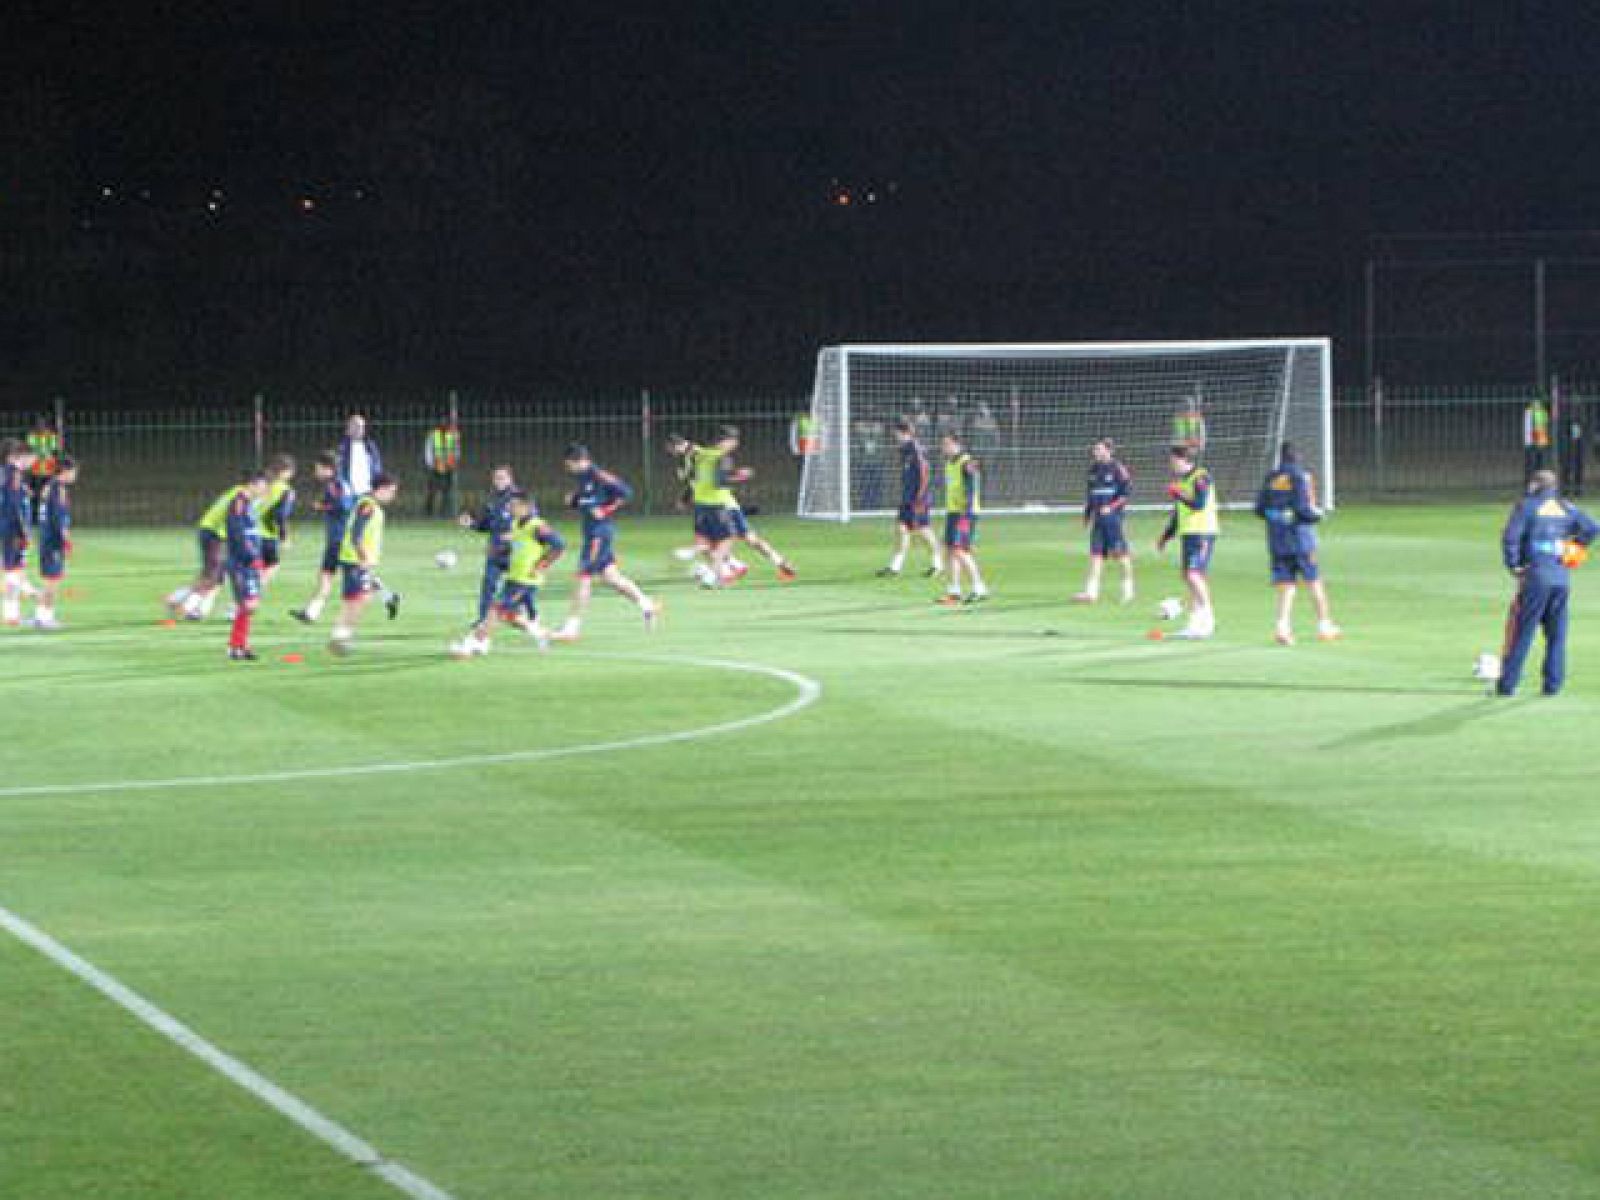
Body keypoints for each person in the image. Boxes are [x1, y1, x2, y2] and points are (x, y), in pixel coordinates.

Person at [1495, 469, 1599, 697]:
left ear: (1534, 485)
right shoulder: (1567, 507)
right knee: (1557, 635)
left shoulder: (1526, 506)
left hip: (1535, 577)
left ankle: (1507, 684)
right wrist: (1576, 546)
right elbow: (1592, 528)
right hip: (1561, 578)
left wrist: (1513, 565)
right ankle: (1552, 685)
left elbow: (1510, 537)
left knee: (1522, 632)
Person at [551, 444, 658, 641]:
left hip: (599, 535)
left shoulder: (600, 476)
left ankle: (572, 627)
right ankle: (647, 604)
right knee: (611, 578)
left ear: (579, 461)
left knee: (583, 577)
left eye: (569, 465)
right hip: (592, 534)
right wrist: (574, 500)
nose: (568, 469)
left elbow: (626, 493)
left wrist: (605, 510)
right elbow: (588, 501)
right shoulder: (582, 478)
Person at [454, 493, 565, 656]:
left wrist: (541, 565)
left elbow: (559, 545)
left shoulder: (537, 525)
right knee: (509, 616)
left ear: (525, 507)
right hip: (514, 576)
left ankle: (475, 643)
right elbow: (519, 545)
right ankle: (544, 634)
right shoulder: (516, 524)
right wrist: (499, 550)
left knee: (496, 608)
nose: (509, 508)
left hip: (526, 579)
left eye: (514, 505)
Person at [1253, 442, 1340, 645]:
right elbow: (1302, 509)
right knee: (1313, 581)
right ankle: (1324, 626)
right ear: (1297, 458)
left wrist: (1277, 516)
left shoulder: (1271, 478)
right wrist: (1317, 516)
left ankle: (1282, 627)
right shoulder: (1300, 477)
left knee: (1286, 585)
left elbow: (1258, 509)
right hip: (1300, 540)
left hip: (1277, 540)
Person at [165, 471, 254, 621]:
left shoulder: (236, 492)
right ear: (253, 484)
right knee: (213, 577)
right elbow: (234, 520)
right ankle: (180, 603)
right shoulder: (240, 496)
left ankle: (193, 607)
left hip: (211, 532)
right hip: (215, 535)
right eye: (263, 485)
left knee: (215, 575)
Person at [329, 473, 399, 656]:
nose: (393, 495)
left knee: (358, 598)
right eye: (391, 491)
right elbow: (356, 534)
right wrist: (363, 558)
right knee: (357, 599)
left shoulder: (369, 504)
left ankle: (342, 635)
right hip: (355, 560)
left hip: (358, 561)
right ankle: (341, 636)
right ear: (381, 489)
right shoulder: (367, 506)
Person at [717, 426, 797, 582]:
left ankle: (728, 571)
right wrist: (739, 476)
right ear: (726, 440)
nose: (735, 444)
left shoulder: (718, 457)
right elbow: (720, 480)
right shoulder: (719, 457)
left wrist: (738, 476)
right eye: (734, 440)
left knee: (717, 540)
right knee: (747, 538)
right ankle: (779, 562)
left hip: (721, 505)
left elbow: (720, 482)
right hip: (725, 504)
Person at [1155, 444, 1219, 639]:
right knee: (1190, 577)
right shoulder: (1183, 480)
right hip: (1189, 533)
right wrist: (1166, 535)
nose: (1171, 463)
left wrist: (1178, 494)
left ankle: (1208, 618)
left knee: (1193, 575)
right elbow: (1179, 512)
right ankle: (1194, 624)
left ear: (1182, 460)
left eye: (1173, 459)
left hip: (1202, 532)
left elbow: (1198, 504)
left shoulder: (1201, 477)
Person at [289, 452, 354, 625]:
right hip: (340, 538)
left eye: (318, 468)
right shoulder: (339, 484)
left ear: (329, 469)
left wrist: (322, 506)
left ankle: (388, 596)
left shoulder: (335, 485)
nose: (315, 472)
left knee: (348, 578)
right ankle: (311, 612)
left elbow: (344, 506)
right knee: (327, 575)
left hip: (340, 539)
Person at [878, 417, 942, 577]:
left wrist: (919, 498)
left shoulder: (916, 450)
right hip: (907, 498)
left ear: (904, 433)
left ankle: (937, 564)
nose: (896, 437)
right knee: (901, 529)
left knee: (923, 530)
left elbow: (925, 474)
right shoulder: (904, 450)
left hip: (918, 499)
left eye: (897, 434)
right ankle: (895, 567)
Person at [459, 464, 524, 622]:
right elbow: (487, 525)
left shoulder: (519, 497)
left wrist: (514, 535)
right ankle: (483, 620)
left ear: (510, 478)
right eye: (495, 478)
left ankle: (524, 615)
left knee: (519, 586)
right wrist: (471, 524)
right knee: (488, 585)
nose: (498, 481)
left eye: (502, 478)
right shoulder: (494, 498)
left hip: (516, 550)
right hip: (495, 550)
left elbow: (531, 523)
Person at [1074, 438, 1135, 604]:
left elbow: (1126, 494)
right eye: (1095, 449)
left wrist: (1112, 507)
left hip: (1113, 521)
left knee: (1120, 555)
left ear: (1109, 451)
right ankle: (1091, 593)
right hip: (1098, 521)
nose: (1095, 452)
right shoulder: (1093, 470)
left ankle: (1128, 590)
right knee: (1096, 555)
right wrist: (1087, 515)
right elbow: (1090, 495)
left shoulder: (1118, 469)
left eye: (1099, 449)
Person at [936, 431, 989, 606]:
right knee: (950, 550)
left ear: (956, 444)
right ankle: (954, 591)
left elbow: (971, 488)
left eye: (947, 444)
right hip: (953, 512)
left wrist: (965, 514)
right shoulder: (949, 463)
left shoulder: (966, 462)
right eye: (943, 444)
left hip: (965, 513)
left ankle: (979, 588)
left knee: (960, 550)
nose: (944, 448)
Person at [223, 470, 270, 661]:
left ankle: (240, 645)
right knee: (248, 603)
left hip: (249, 562)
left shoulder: (249, 504)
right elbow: (237, 533)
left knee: (250, 605)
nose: (265, 489)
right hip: (240, 563)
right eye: (263, 485)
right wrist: (250, 555)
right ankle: (236, 646)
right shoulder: (238, 504)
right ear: (252, 484)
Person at [30, 456, 76, 630]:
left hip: (46, 538)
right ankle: (45, 618)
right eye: (73, 472)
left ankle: (40, 615)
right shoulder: (58, 489)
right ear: (65, 471)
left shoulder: (49, 486)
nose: (74, 475)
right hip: (53, 540)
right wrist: (65, 539)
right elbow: (58, 518)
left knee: (49, 580)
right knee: (52, 581)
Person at [1, 438, 37, 625]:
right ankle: (11, 614)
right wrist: (23, 529)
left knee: (13, 567)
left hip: (8, 527)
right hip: (12, 528)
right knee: (11, 569)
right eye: (30, 458)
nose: (32, 462)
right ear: (17, 456)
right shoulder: (13, 473)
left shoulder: (8, 474)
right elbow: (14, 505)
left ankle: (13, 612)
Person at [256, 454, 296, 589]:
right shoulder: (286, 490)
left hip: (250, 531)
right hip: (267, 534)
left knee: (256, 567)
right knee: (272, 565)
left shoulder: (261, 484)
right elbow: (281, 515)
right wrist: (284, 537)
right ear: (286, 472)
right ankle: (249, 595)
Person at [25, 415, 61, 525]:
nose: (40, 427)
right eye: (38, 425)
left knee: (47, 495)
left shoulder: (51, 436)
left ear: (46, 425)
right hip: (34, 470)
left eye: (42, 425)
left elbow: (54, 448)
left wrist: (43, 453)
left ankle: (47, 518)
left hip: (48, 470)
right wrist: (43, 452)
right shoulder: (32, 435)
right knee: (33, 495)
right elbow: (31, 447)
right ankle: (34, 518)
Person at [423, 415, 461, 517]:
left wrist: (455, 462)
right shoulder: (433, 435)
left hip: (448, 466)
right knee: (432, 490)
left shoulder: (453, 435)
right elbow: (428, 450)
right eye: (442, 423)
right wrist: (430, 464)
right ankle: (428, 512)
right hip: (435, 466)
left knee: (447, 490)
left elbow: (456, 449)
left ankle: (445, 511)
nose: (444, 425)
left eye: (446, 423)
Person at [338, 413, 383, 498]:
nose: (358, 429)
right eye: (354, 426)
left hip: (368, 490)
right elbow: (339, 467)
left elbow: (377, 466)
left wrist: (376, 484)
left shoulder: (370, 446)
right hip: (348, 492)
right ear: (348, 430)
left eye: (361, 427)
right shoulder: (343, 447)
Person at [1560, 396, 1585, 496]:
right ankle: (1566, 489)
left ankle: (1577, 489)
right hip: (1568, 443)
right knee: (1567, 466)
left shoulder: (1580, 417)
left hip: (1578, 443)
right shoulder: (1566, 416)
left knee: (1578, 466)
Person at [1523, 395, 1552, 478]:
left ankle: (1538, 483)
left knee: (1539, 466)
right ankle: (1530, 484)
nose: (1537, 404)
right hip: (1533, 442)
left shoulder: (1543, 411)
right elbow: (1528, 427)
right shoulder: (1530, 411)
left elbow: (1545, 426)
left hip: (1541, 442)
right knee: (1531, 466)